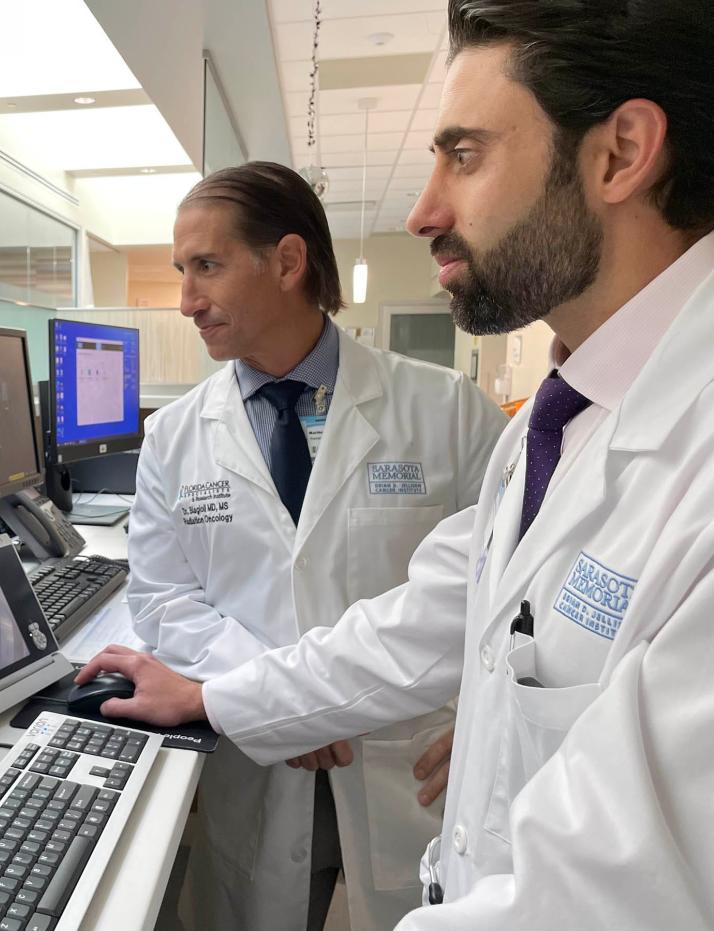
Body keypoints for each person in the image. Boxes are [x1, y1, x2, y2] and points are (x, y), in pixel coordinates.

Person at [79, 1, 714, 926]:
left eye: (465, 155)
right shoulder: (564, 420)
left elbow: (608, 891)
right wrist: (227, 694)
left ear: (619, 153)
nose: (424, 211)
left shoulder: (658, 447)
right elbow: (425, 619)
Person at [128, 161, 505, 931]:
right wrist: (288, 707)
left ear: (289, 262)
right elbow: (162, 599)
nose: (186, 301)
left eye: (207, 266)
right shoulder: (172, 436)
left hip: (410, 766)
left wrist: (494, 714)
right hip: (259, 767)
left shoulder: (450, 413)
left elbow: (513, 588)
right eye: (180, 270)